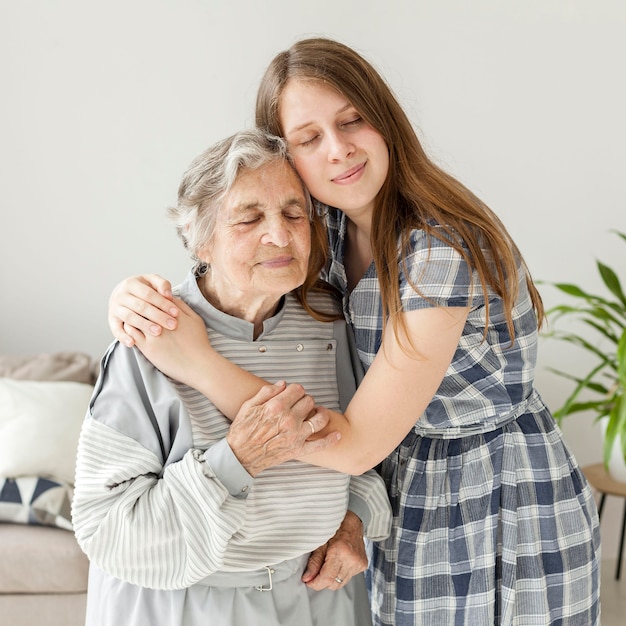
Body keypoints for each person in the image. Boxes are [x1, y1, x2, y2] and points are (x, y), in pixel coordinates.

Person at [107, 38, 601, 625]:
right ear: (287, 160)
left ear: (384, 121)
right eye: (309, 139)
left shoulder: (437, 251)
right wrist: (132, 299)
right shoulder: (331, 237)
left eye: (352, 121)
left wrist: (196, 363)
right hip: (408, 487)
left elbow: (359, 441)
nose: (338, 149)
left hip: (496, 492)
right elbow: (228, 262)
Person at [72, 128, 392, 626]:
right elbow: (107, 530)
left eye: (293, 214)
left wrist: (354, 520)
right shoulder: (151, 336)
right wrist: (236, 460)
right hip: (180, 605)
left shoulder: (332, 321)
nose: (280, 235)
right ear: (200, 241)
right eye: (249, 217)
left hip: (312, 598)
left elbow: (367, 452)